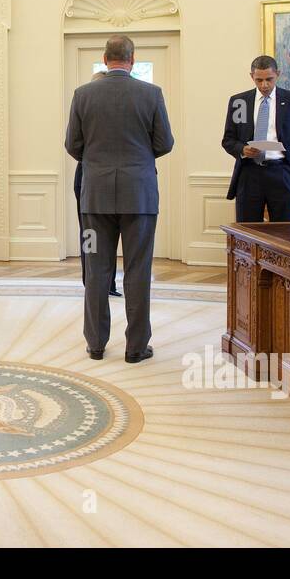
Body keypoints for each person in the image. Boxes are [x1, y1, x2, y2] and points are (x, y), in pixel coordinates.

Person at [65, 34, 175, 363]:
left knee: (97, 270)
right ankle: (136, 348)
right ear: (132, 59)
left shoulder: (83, 94)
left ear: (104, 58)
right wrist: (139, 159)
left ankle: (96, 344)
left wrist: (98, 162)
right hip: (139, 195)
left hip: (95, 196)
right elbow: (165, 143)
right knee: (138, 271)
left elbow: (72, 144)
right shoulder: (151, 94)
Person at [221, 55, 290, 222]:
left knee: (286, 235)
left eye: (269, 79)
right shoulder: (239, 102)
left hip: (282, 173)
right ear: (251, 77)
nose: (264, 85)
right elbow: (228, 140)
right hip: (249, 174)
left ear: (278, 74)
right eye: (259, 80)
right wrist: (242, 149)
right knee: (248, 234)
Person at [73, 72, 120, 297]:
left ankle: (108, 284)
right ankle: (92, 283)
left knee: (107, 236)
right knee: (89, 236)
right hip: (87, 179)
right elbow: (73, 144)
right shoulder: (84, 105)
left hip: (111, 181)